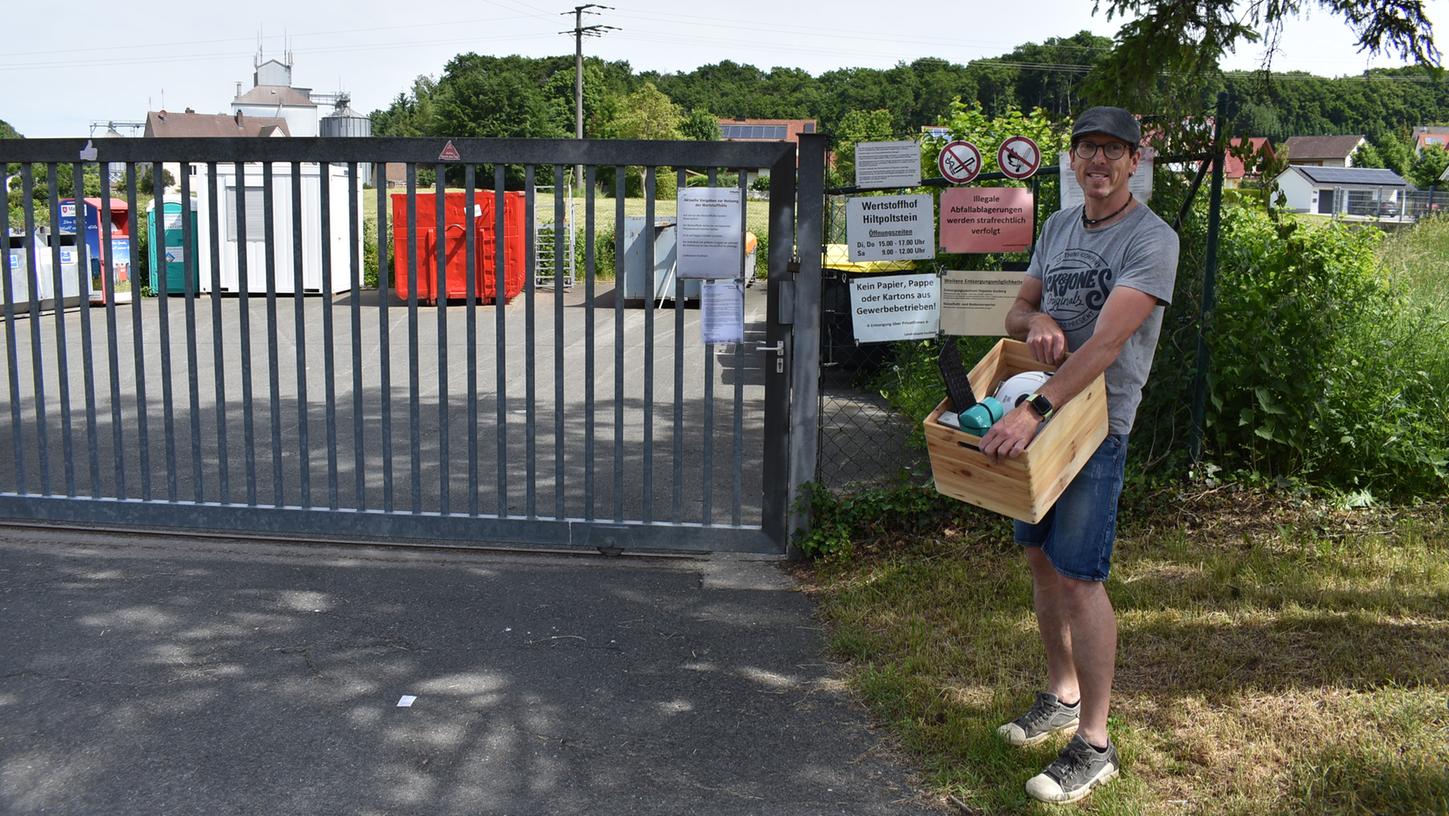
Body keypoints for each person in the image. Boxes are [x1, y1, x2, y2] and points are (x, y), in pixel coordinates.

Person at [979, 106, 1179, 804]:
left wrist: (1034, 411)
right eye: (1086, 150)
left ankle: (1094, 742)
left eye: (1112, 151)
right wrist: (1034, 320)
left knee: (1080, 578)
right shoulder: (1059, 227)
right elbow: (1014, 312)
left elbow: (1105, 346)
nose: (1098, 162)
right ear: (1072, 162)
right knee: (1039, 561)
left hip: (1093, 426)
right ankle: (1060, 695)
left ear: (1133, 162)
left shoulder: (1152, 239)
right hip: (1033, 419)